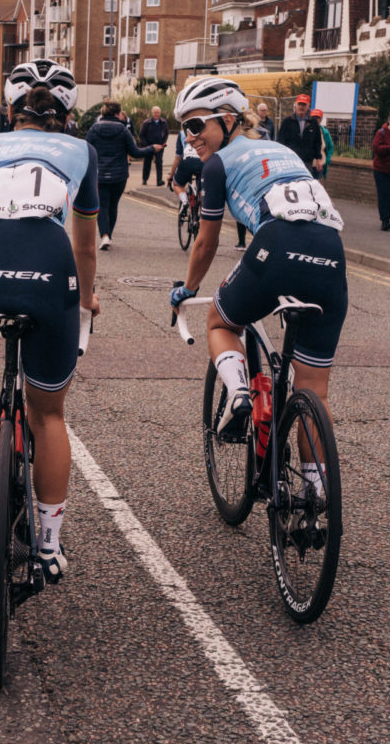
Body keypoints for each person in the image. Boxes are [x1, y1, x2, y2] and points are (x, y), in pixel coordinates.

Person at [0, 59, 100, 584]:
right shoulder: (82, 151)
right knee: (48, 416)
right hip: (50, 269)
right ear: (66, 115)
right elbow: (84, 243)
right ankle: (49, 548)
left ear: (10, 112)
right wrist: (87, 298)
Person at [167, 77, 347, 486]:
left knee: (220, 320)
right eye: (184, 129)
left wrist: (189, 288)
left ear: (228, 120)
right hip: (332, 252)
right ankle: (313, 496)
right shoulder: (283, 149)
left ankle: (239, 393)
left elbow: (207, 241)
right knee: (314, 390)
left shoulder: (218, 164)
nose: (189, 138)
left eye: (196, 126)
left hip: (278, 244)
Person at [84, 99, 156, 250]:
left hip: (100, 174)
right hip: (119, 175)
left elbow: (86, 150)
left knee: (102, 206)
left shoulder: (94, 129)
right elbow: (135, 152)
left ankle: (104, 236)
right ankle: (109, 235)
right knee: (113, 206)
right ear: (117, 113)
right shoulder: (123, 130)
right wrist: (152, 148)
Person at [275, 94, 322, 175]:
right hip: (290, 160)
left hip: (307, 161)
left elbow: (317, 142)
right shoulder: (287, 122)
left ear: (308, 106)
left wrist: (318, 158)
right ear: (296, 105)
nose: (301, 107)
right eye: (299, 104)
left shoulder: (313, 122)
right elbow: (280, 141)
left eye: (304, 104)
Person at [138, 105, 170, 186]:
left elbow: (166, 134)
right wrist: (146, 145)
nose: (157, 114)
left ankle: (159, 181)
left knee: (159, 163)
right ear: (152, 113)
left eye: (158, 112)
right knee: (147, 163)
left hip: (159, 147)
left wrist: (163, 144)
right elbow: (141, 135)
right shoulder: (146, 123)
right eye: (155, 112)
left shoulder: (164, 122)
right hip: (149, 147)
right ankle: (144, 179)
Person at [313, 109, 333, 180]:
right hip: (308, 164)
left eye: (317, 117)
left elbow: (330, 147)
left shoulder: (325, 133)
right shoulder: (306, 130)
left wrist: (327, 160)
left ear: (321, 119)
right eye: (313, 117)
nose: (315, 119)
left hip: (321, 165)